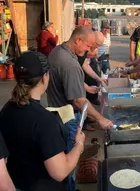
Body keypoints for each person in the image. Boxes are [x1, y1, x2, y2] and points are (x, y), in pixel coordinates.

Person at [0, 52, 85, 191]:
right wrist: (79, 144)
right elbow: (60, 172)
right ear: (45, 77)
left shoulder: (6, 109)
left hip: (17, 182)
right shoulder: (44, 121)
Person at [47, 26, 113, 191]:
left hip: (55, 112)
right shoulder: (71, 64)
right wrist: (100, 118)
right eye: (88, 47)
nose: (90, 51)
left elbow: (66, 80)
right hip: (68, 118)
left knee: (62, 155)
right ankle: (70, 187)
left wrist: (84, 86)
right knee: (69, 161)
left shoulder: (57, 52)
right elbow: (78, 101)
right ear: (78, 40)